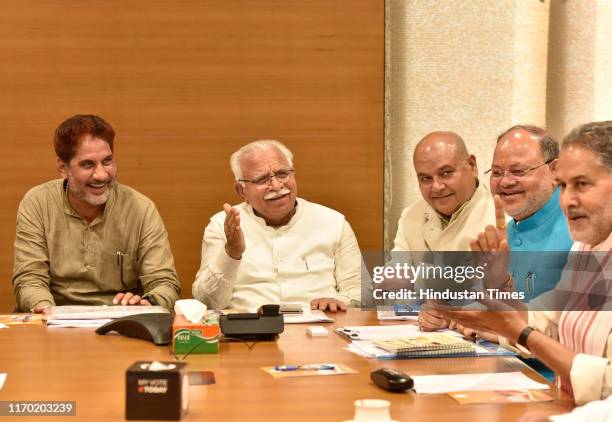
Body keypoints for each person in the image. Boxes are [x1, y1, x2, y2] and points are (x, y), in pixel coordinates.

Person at [439, 121, 612, 405]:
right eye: (566, 186)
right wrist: (498, 290)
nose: (567, 200)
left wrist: (518, 330)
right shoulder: (585, 243)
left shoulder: (577, 231)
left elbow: (605, 383)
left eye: (581, 184)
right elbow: (545, 318)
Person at [13, 115, 181, 312]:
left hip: (121, 322)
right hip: (54, 321)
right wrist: (46, 309)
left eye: (107, 161)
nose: (101, 175)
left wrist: (148, 303)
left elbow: (165, 282)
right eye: (88, 164)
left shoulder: (141, 208)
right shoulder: (38, 203)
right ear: (62, 167)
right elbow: (29, 279)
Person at [192, 140, 361, 311]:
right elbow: (206, 302)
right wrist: (231, 253)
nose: (276, 185)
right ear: (242, 191)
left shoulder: (333, 222)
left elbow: (359, 291)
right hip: (249, 331)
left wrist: (338, 301)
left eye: (282, 174)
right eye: (261, 179)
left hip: (321, 327)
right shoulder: (222, 225)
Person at [486, 125, 573, 302]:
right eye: (496, 173)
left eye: (519, 171)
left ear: (554, 171)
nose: (505, 182)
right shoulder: (506, 231)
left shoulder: (581, 228)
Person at [393, 131, 495, 251]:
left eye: (446, 173)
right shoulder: (410, 217)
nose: (436, 187)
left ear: (472, 165)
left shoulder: (504, 218)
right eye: (426, 179)